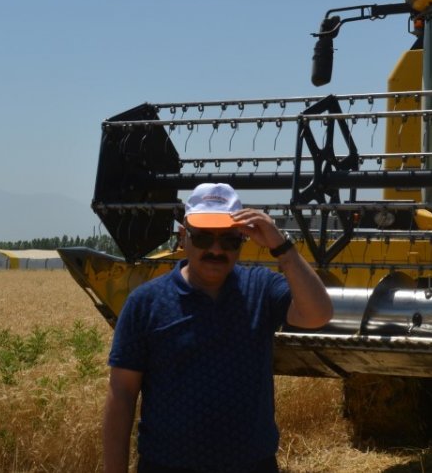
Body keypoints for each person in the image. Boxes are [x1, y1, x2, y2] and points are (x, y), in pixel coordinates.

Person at [102, 182, 334, 473]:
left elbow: (318, 314)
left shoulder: (260, 288)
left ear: (243, 239)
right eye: (203, 238)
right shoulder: (146, 304)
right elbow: (122, 394)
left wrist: (282, 247)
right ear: (183, 236)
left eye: (229, 240)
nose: (216, 249)